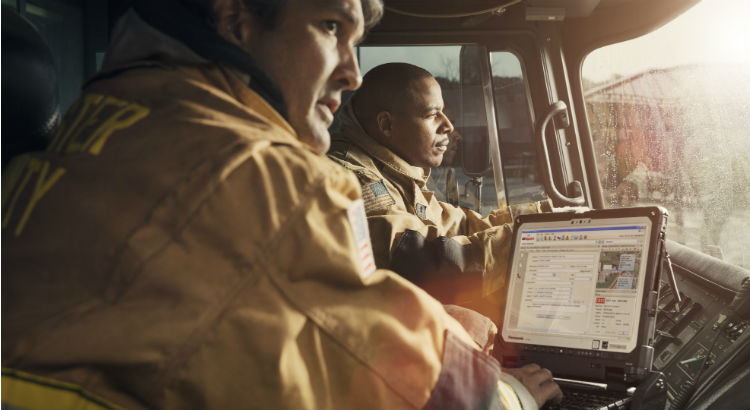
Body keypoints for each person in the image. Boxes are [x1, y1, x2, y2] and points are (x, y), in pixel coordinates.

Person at [2, 0, 561, 409]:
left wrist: (434, 320)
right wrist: (512, 394)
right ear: (235, 17)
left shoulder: (95, 136)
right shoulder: (258, 175)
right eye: (329, 26)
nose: (351, 72)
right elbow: (417, 393)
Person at [329, 62, 553, 321]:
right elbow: (422, 265)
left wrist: (545, 216)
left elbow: (460, 227)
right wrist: (530, 240)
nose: (448, 126)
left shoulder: (395, 175)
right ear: (387, 125)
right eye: (432, 114)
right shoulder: (352, 178)